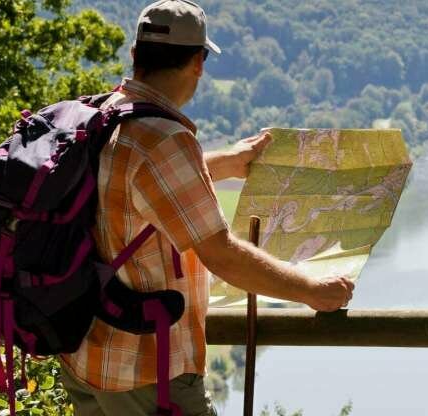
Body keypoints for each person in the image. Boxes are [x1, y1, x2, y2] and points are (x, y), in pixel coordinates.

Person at [58, 1, 355, 415]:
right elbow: (221, 255)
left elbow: (133, 187)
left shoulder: (103, 115)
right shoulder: (165, 139)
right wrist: (311, 290)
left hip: (85, 355)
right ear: (198, 63)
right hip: (144, 368)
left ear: (135, 54)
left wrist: (226, 163)